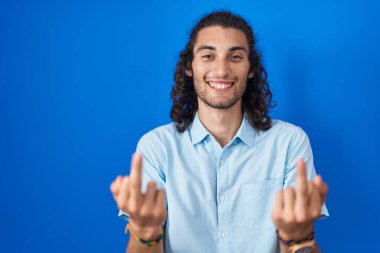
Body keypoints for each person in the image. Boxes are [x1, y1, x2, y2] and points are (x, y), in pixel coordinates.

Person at [110, 11, 329, 253]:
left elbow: (300, 241)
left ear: (251, 68)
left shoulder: (289, 142)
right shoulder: (156, 147)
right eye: (208, 55)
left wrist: (299, 239)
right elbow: (144, 242)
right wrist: (145, 233)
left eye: (235, 56)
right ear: (189, 67)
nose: (222, 70)